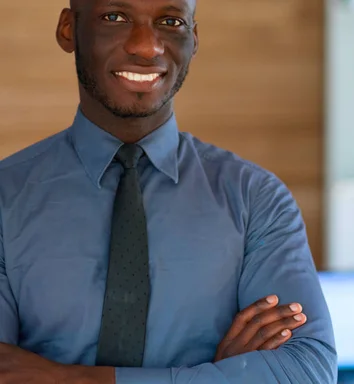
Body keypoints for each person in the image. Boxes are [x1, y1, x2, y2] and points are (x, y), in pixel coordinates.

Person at [0, 0, 336, 383]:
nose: (147, 46)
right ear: (68, 29)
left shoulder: (255, 200)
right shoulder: (4, 198)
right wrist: (213, 374)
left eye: (170, 21)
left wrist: (69, 378)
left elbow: (306, 370)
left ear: (193, 38)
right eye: (115, 16)